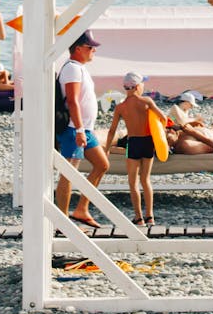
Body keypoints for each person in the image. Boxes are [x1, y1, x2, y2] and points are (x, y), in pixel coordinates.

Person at [55, 30, 109, 228]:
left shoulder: (79, 68)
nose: (93, 50)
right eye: (90, 47)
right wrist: (78, 129)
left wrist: (84, 128)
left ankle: (81, 209)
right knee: (69, 172)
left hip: (85, 129)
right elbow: (72, 100)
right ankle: (61, 220)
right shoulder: (72, 69)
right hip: (73, 128)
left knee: (102, 165)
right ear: (78, 48)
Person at [104, 72, 168, 226]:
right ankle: (150, 216)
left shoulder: (121, 107)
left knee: (133, 182)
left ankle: (139, 218)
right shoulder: (147, 101)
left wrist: (106, 149)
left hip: (133, 143)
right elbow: (163, 119)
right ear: (138, 86)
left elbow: (112, 130)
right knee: (145, 179)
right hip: (148, 142)